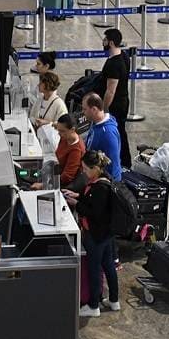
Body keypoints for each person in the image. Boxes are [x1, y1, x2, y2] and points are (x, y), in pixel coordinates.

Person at [64, 150, 121, 318]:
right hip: (106, 234)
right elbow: (92, 199)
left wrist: (76, 203)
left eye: (85, 169)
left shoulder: (100, 187)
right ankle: (114, 300)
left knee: (94, 269)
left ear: (95, 168)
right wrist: (78, 195)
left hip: (96, 235)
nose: (83, 172)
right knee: (109, 265)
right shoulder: (104, 181)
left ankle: (93, 305)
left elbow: (94, 212)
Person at [100, 28, 131, 168]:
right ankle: (124, 161)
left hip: (116, 105)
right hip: (124, 100)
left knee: (117, 133)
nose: (103, 42)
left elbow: (110, 91)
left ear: (111, 43)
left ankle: (122, 162)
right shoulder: (124, 56)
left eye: (105, 40)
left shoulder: (113, 64)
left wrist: (105, 109)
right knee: (121, 131)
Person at [33, 113, 87, 191]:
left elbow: (67, 177)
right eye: (58, 130)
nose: (59, 133)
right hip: (55, 174)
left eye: (62, 131)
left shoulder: (76, 150)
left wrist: (43, 185)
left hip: (63, 185)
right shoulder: (65, 137)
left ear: (72, 130)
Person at [80, 93, 122, 182]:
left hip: (104, 183)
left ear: (94, 109)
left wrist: (104, 187)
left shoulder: (108, 134)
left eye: (84, 109)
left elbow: (112, 164)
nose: (82, 112)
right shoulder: (95, 122)